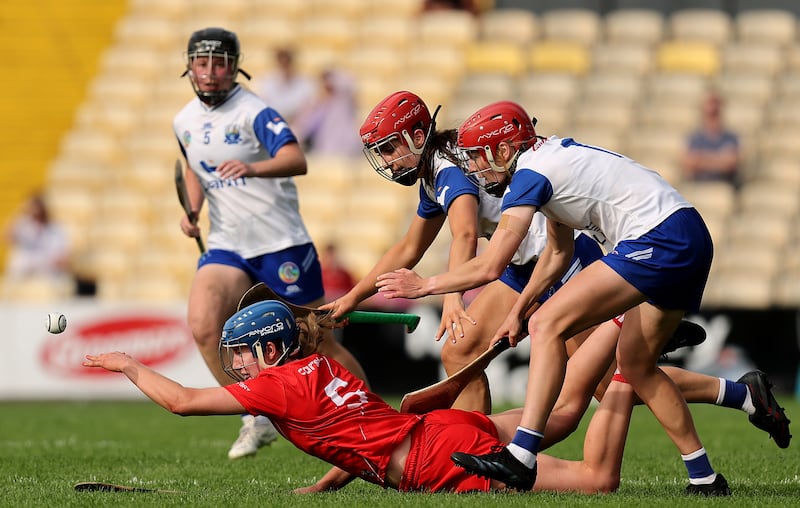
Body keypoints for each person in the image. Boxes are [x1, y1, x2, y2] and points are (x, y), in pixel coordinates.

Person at [375, 100, 736, 495]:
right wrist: (517, 309)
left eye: (479, 156)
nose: (474, 168)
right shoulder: (544, 161)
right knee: (635, 367)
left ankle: (521, 455)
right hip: (683, 232)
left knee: (548, 326)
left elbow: (490, 266)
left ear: (504, 149)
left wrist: (425, 286)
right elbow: (557, 252)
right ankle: (706, 477)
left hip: (659, 239)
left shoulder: (529, 178)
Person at [83, 300, 790, 495]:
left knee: (599, 480)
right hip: (438, 429)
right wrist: (326, 483)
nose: (235, 364)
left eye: (241, 351)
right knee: (563, 413)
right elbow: (356, 433)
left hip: (438, 455)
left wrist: (126, 364)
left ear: (269, 348)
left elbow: (178, 403)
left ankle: (624, 347)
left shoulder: (274, 385)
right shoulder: (318, 373)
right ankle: (631, 351)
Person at [320, 91, 606, 414]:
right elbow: (409, 248)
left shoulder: (447, 169)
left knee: (607, 384)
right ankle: (479, 452)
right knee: (460, 352)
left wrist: (453, 297)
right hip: (523, 268)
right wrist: (352, 297)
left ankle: (672, 389)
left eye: (389, 149)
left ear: (417, 137)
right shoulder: (433, 173)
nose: (386, 161)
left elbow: (466, 233)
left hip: (561, 260)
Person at [172, 27, 369, 460]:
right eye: (202, 63)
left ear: (233, 66)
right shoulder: (183, 120)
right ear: (189, 67)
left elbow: (296, 159)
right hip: (227, 242)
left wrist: (250, 168)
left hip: (280, 242)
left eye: (219, 63)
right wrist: (192, 211)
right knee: (205, 325)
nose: (209, 72)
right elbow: (193, 167)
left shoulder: (254, 111)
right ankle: (256, 415)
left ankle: (371, 419)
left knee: (318, 340)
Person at [292, 68, 363, 157]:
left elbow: (349, 84)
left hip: (343, 148)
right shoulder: (318, 105)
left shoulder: (343, 104)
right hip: (323, 148)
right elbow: (304, 126)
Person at [3, 192, 71, 282]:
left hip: (47, 270)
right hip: (24, 269)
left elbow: (63, 254)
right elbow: (7, 237)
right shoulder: (23, 224)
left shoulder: (56, 228)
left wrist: (60, 262)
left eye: (38, 207)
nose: (36, 211)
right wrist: (19, 213)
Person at [681, 92, 741, 188]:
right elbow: (689, 162)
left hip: (723, 186)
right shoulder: (695, 137)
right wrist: (719, 159)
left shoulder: (731, 137)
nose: (712, 110)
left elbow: (730, 164)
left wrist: (701, 159)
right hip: (698, 186)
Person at [256, 47, 316, 127]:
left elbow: (309, 107)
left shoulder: (305, 82)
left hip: (299, 124)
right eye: (282, 62)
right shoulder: (267, 81)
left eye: (287, 62)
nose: (284, 65)